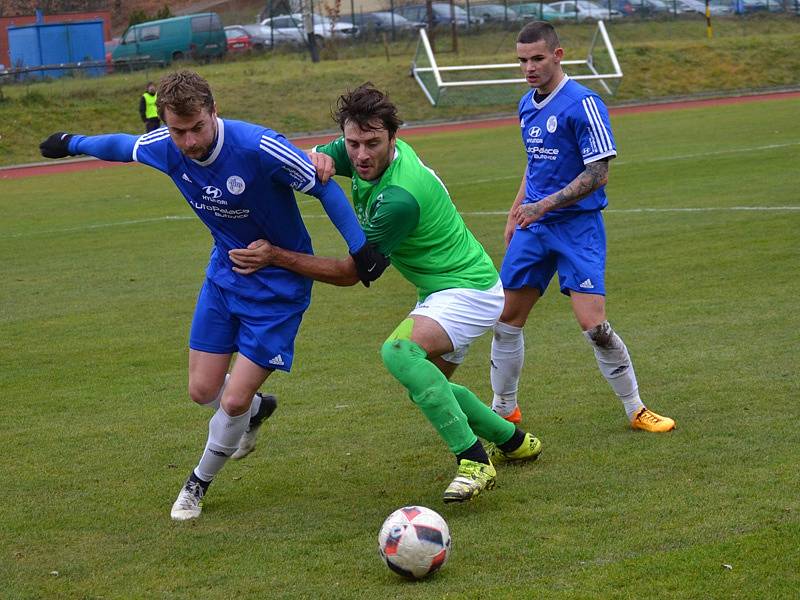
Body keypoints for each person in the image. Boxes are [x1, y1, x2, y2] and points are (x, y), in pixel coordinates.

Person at [38, 70, 383, 521]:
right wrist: (71, 141)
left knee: (232, 400)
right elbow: (122, 146)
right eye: (178, 131)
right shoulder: (166, 146)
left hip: (278, 287)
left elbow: (324, 188)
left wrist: (361, 248)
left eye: (196, 127)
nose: (188, 141)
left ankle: (197, 483)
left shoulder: (258, 147)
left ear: (213, 113)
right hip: (225, 277)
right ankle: (257, 411)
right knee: (203, 391)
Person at [228, 83, 543, 504]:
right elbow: (309, 158)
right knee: (430, 385)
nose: (360, 155)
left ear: (393, 137)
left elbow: (352, 273)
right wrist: (314, 156)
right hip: (440, 288)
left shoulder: (399, 197)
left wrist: (275, 256)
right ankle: (514, 442)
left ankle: (473, 461)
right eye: (352, 143)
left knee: (399, 352)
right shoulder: (355, 149)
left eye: (373, 143)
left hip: (468, 290)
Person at [488, 21, 675, 432]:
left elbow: (598, 173)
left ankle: (635, 408)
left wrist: (543, 206)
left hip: (577, 228)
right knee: (505, 323)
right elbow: (535, 163)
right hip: (533, 229)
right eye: (522, 60)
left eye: (537, 58)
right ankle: (504, 411)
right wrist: (516, 210)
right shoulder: (526, 104)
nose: (529, 68)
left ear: (558, 55)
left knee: (595, 327)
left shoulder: (583, 103)